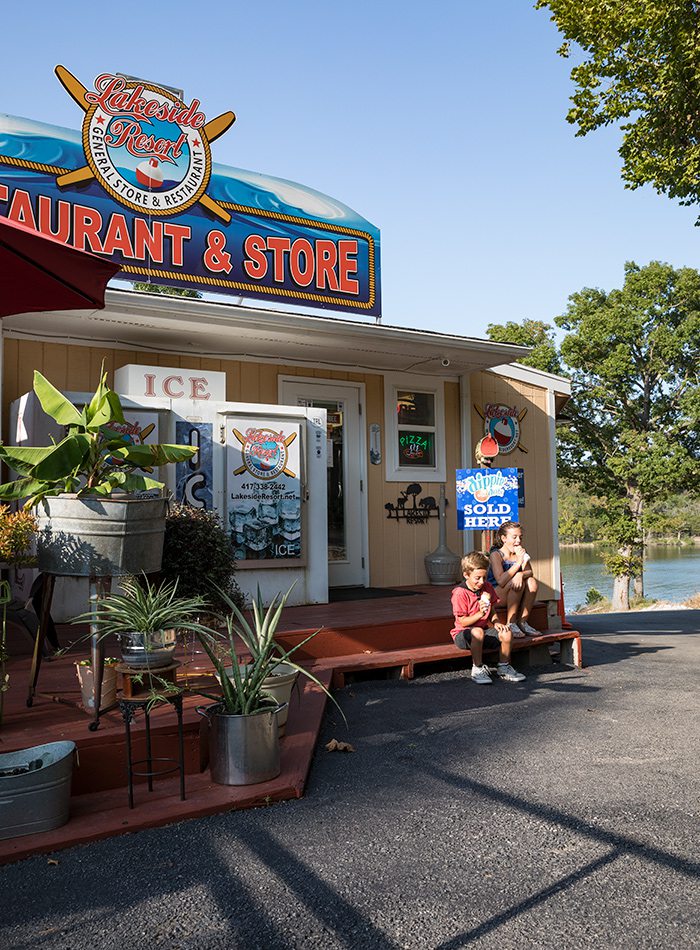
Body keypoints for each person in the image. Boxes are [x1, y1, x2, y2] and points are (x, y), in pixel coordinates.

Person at [450, 551, 526, 684]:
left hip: (483, 631)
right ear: (466, 575)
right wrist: (479, 613)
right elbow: (462, 621)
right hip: (463, 634)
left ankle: (504, 666)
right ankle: (477, 668)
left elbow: (492, 610)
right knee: (477, 632)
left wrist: (496, 622)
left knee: (507, 632)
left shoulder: (487, 587)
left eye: (484, 577)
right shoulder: (460, 593)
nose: (481, 582)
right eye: (477, 578)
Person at [488, 521, 540, 637]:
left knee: (531, 581)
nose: (518, 541)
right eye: (514, 537)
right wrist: (518, 563)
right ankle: (511, 623)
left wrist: (520, 574)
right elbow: (501, 581)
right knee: (515, 582)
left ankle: (522, 622)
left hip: (515, 592)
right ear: (504, 538)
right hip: (497, 595)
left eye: (520, 537)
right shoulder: (496, 555)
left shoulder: (520, 553)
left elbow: (529, 571)